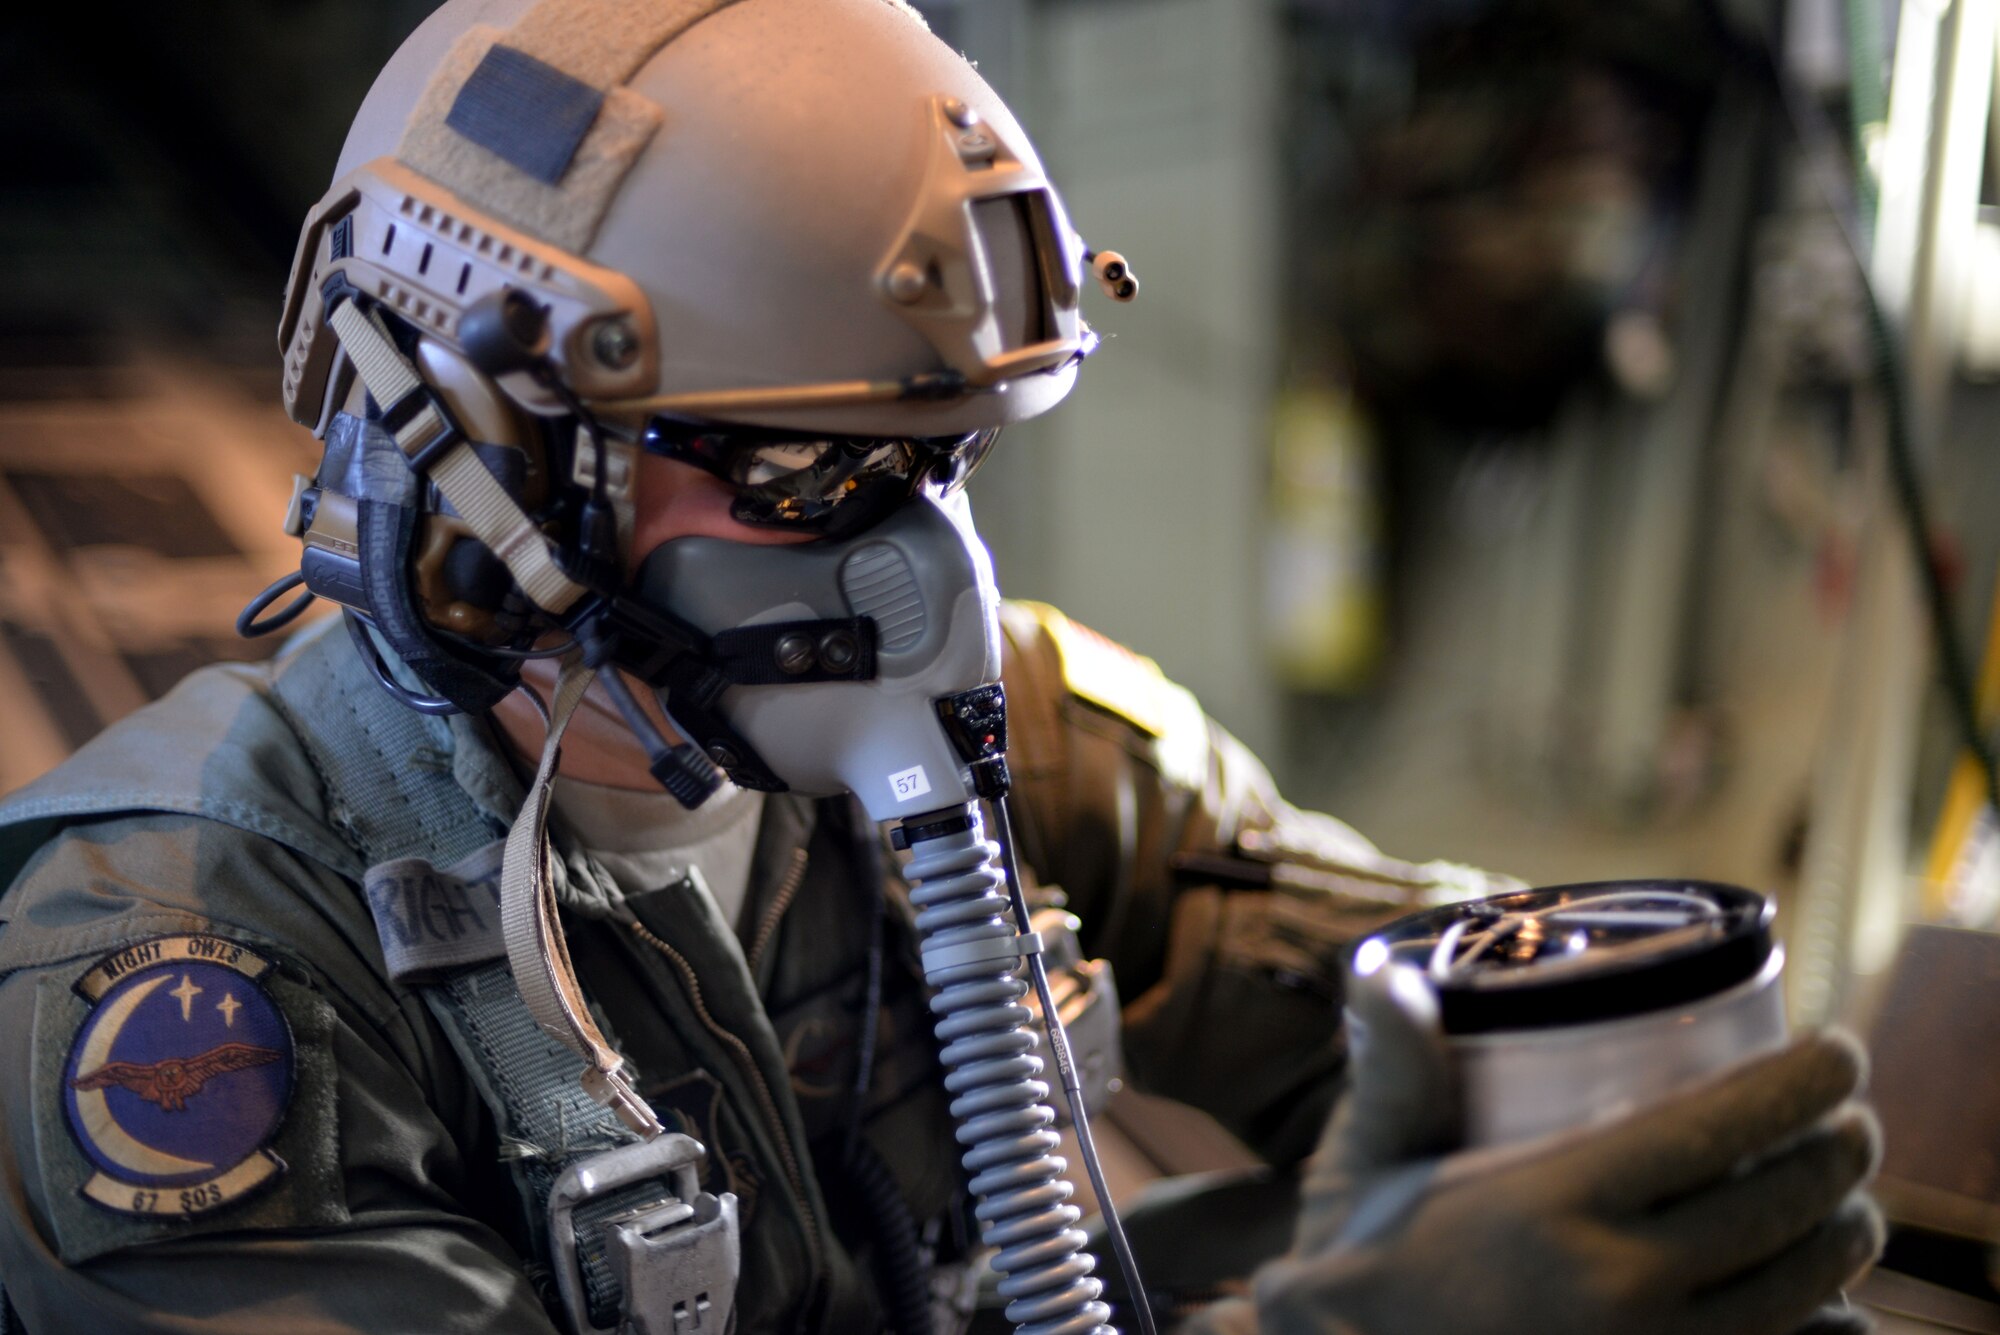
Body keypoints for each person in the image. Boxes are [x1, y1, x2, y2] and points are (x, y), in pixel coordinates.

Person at [0, 0, 1879, 1332]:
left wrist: (1621, 1111)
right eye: (815, 475)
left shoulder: (1038, 739)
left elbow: (1449, 1002)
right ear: (496, 452)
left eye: (942, 467)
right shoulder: (185, 968)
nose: (928, 575)